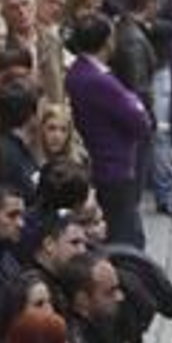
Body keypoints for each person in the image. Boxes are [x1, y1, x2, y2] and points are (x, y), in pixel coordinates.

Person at [64, 15, 151, 250]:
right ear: (108, 42)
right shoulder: (98, 80)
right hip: (112, 165)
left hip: (103, 162)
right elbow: (139, 120)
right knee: (125, 236)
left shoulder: (80, 72)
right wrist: (136, 103)